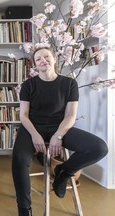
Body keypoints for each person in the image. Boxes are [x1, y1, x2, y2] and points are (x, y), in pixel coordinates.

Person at [12, 47, 108, 216]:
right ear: (35, 65)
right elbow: (24, 116)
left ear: (54, 59)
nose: (43, 60)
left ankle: (64, 171)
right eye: (39, 59)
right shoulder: (29, 85)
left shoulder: (69, 83)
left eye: (47, 56)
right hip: (33, 128)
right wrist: (35, 135)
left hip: (60, 127)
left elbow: (71, 115)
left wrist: (58, 135)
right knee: (19, 159)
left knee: (99, 148)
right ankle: (24, 209)